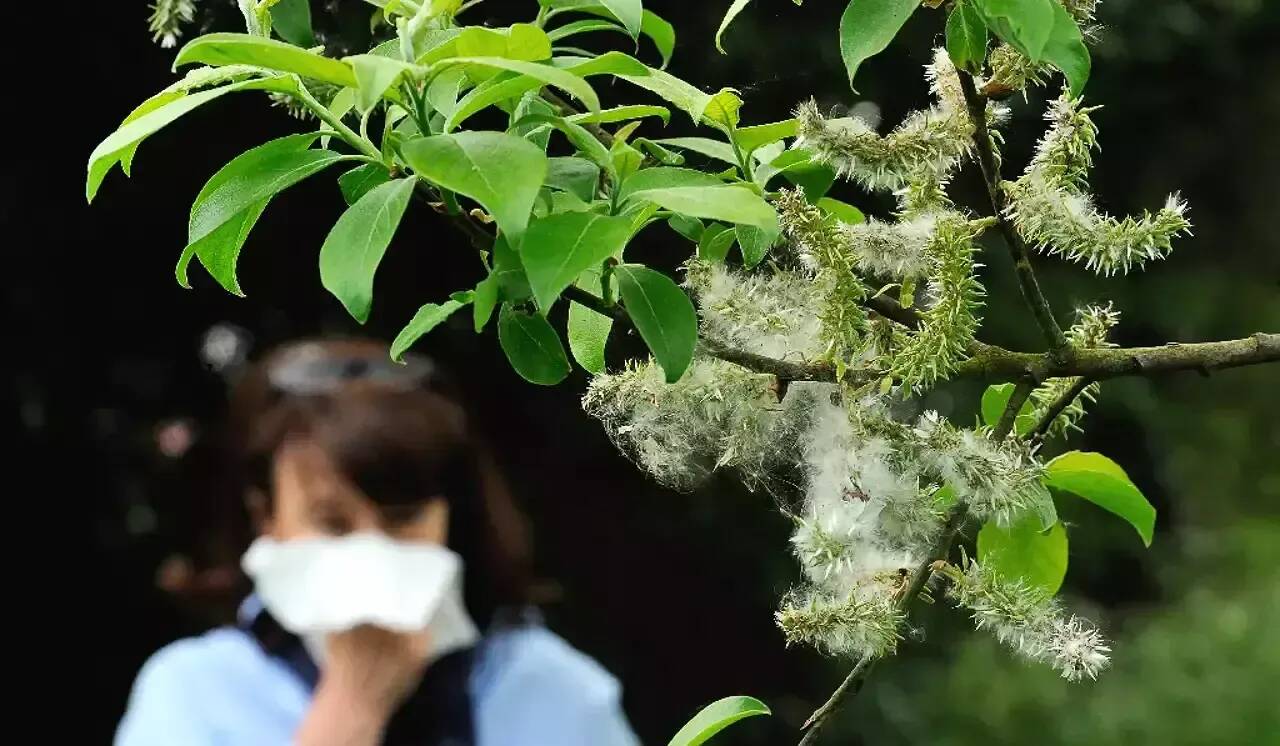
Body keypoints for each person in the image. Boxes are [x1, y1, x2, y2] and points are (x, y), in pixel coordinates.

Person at [115, 339, 639, 746]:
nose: (371, 550)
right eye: (333, 523)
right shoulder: (193, 696)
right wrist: (350, 710)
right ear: (266, 515)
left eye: (402, 518)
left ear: (449, 516)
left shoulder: (552, 689)